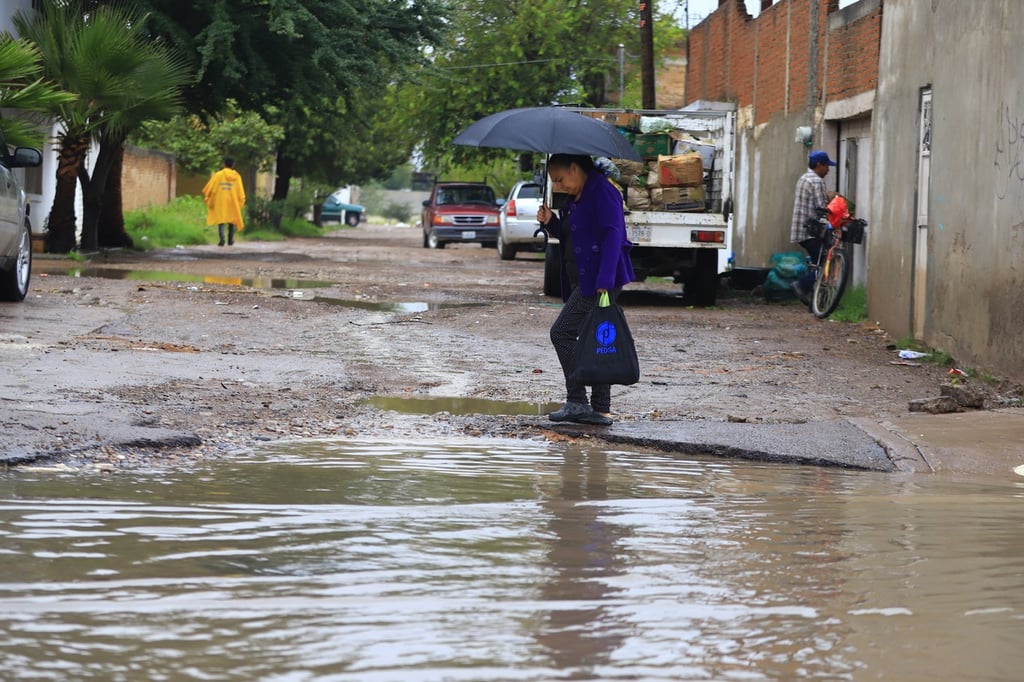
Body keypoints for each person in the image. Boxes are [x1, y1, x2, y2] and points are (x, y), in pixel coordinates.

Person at [537, 153, 635, 426]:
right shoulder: (576, 197)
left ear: (574, 168)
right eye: (554, 182)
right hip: (584, 278)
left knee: (561, 333)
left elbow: (613, 235)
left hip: (599, 281)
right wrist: (551, 222)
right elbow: (572, 235)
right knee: (594, 341)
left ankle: (578, 401)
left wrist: (604, 280)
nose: (558, 186)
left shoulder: (603, 192)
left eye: (560, 179)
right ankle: (600, 409)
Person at [790, 149, 837, 301]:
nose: (828, 170)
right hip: (811, 232)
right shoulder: (817, 181)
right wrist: (834, 202)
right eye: (826, 166)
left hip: (800, 230)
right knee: (826, 262)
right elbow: (821, 207)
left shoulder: (804, 178)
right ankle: (801, 285)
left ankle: (815, 302)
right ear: (819, 165)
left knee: (817, 262)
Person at [203, 157, 246, 246]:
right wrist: (240, 202)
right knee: (232, 221)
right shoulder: (237, 177)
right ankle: (230, 240)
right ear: (233, 165)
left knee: (221, 220)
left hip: (221, 201)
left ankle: (222, 239)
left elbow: (209, 189)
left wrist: (210, 198)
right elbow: (240, 192)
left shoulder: (218, 175)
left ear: (224, 164)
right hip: (232, 202)